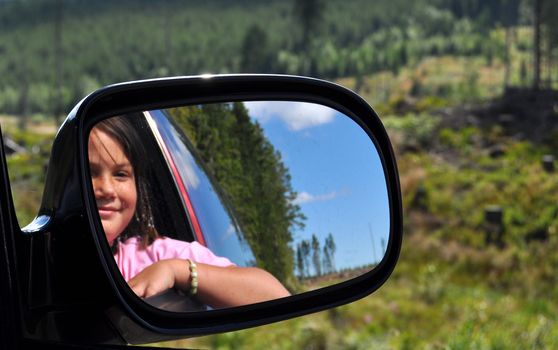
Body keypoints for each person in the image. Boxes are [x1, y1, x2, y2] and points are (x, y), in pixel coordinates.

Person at [88, 116, 290, 309]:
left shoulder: (156, 255)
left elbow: (276, 297)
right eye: (90, 172)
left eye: (121, 174)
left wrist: (178, 271)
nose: (107, 188)